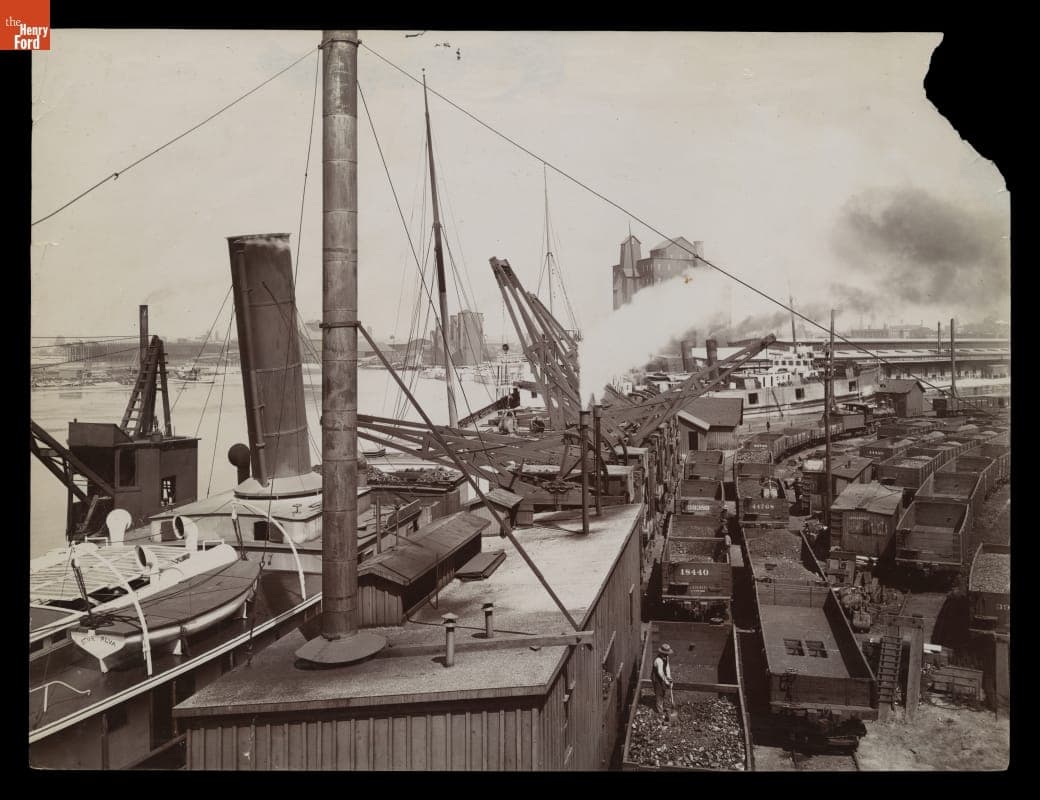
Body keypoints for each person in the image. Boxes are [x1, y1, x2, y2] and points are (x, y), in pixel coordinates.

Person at [651, 643, 674, 714]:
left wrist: (669, 678)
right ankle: (660, 711)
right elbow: (660, 672)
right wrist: (666, 681)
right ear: (661, 653)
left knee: (664, 690)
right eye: (665, 654)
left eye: (667, 654)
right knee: (659, 693)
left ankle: (664, 706)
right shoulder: (658, 660)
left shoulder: (666, 657)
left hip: (662, 676)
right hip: (656, 677)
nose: (666, 655)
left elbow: (667, 667)